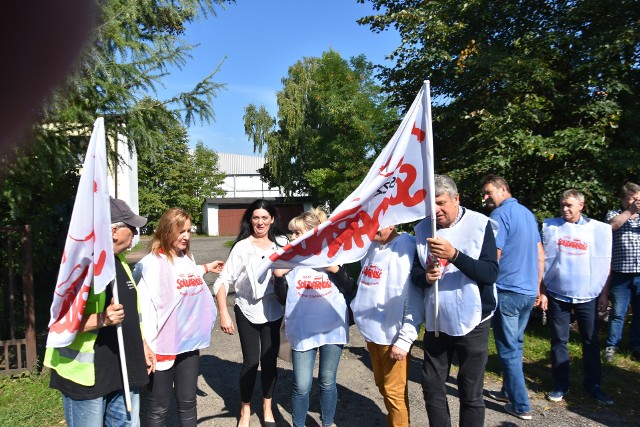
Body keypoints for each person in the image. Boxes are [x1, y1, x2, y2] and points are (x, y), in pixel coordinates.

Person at [396, 174, 499, 427]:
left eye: (441, 203)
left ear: (456, 199)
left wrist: (455, 255)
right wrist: (427, 277)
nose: (436, 210)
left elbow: (490, 273)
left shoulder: (479, 224)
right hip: (438, 319)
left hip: (473, 319)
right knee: (431, 386)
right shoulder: (423, 228)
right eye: (431, 205)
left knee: (469, 391)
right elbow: (416, 277)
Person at [45, 197, 153, 426]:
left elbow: (134, 314)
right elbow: (60, 324)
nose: (135, 233)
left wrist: (143, 345)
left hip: (124, 371)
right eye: (131, 228)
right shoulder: (81, 267)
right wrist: (103, 319)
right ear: (114, 230)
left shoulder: (120, 260)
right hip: (88, 379)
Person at [133, 208, 224, 426]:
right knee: (158, 406)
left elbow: (184, 276)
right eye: (179, 231)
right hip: (161, 346)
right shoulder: (149, 264)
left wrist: (205, 268)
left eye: (188, 231)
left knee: (188, 402)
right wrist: (145, 344)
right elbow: (140, 308)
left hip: (188, 342)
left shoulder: (186, 257)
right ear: (166, 230)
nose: (185, 236)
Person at [272, 207, 355, 427]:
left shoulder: (335, 254)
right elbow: (283, 299)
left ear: (312, 233)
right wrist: (278, 278)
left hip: (332, 329)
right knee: (301, 385)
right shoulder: (291, 259)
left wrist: (335, 269)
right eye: (293, 233)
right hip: (302, 330)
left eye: (298, 233)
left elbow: (350, 288)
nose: (293, 237)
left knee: (327, 382)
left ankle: (327, 423)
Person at [213, 199, 288, 427]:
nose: (260, 222)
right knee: (251, 361)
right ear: (250, 220)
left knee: (269, 361)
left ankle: (267, 407)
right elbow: (223, 281)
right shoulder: (243, 247)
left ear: (272, 219)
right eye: (256, 217)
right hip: (246, 309)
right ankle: (245, 409)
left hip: (273, 310)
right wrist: (224, 313)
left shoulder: (282, 244)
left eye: (265, 218)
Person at [480, 175, 546, 420]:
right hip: (528, 291)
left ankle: (521, 405)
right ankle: (508, 391)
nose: (485, 197)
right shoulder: (528, 214)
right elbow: (540, 254)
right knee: (516, 345)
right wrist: (538, 288)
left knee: (508, 349)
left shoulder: (498, 216)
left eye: (489, 192)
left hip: (508, 290)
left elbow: (493, 255)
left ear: (503, 189)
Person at [541, 189, 613, 405]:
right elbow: (543, 260)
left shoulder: (597, 230)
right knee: (558, 340)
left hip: (587, 295)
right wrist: (542, 291)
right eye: (562, 204)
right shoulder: (552, 227)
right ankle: (560, 384)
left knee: (590, 341)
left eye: (569, 205)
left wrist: (604, 293)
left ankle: (593, 385)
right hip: (557, 293)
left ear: (581, 205)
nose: (564, 209)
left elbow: (604, 262)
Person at [350, 224, 417, 427]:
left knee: (394, 392)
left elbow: (414, 297)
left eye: (377, 226)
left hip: (393, 334)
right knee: (383, 387)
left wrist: (405, 338)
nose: (371, 230)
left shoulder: (407, 246)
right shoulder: (371, 246)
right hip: (372, 333)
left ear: (393, 223)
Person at [603, 182, 640, 362]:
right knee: (618, 312)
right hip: (620, 273)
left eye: (638, 198)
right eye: (632, 198)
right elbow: (611, 227)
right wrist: (629, 211)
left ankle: (635, 345)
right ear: (623, 199)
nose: (636, 202)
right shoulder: (614, 214)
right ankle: (612, 345)